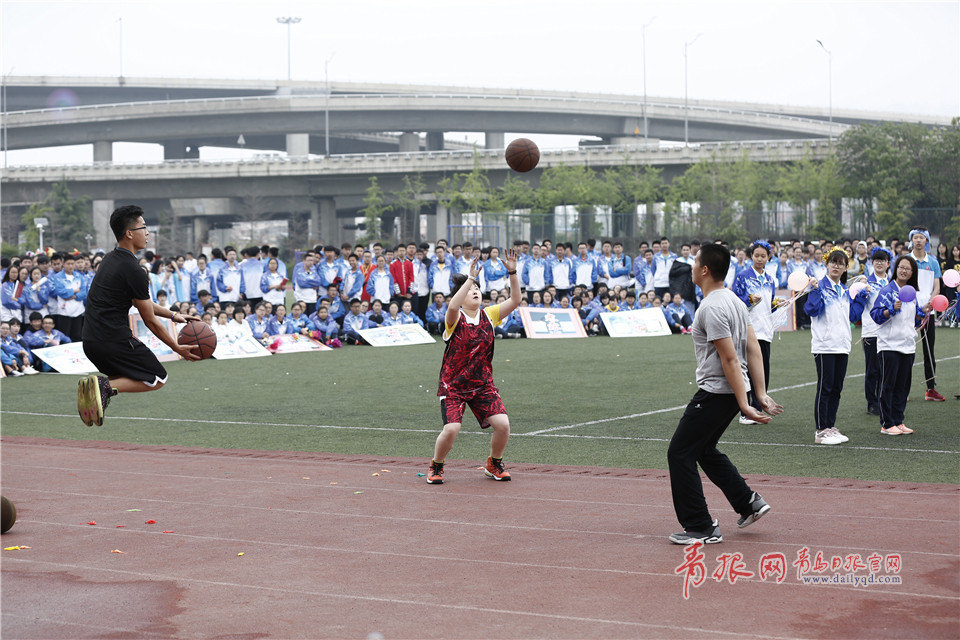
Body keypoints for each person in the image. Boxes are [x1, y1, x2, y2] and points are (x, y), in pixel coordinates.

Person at [666, 243, 783, 545]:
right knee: (704, 450)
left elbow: (730, 358)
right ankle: (748, 502)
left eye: (695, 262)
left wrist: (747, 403)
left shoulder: (712, 307)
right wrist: (759, 393)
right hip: (731, 391)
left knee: (679, 453)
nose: (692, 267)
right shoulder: (733, 300)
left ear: (705, 270)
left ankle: (700, 526)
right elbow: (753, 347)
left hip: (717, 392)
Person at [77, 205, 200, 427]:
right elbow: (149, 319)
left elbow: (141, 302)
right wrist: (176, 347)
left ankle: (99, 390)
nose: (148, 233)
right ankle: (104, 387)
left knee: (127, 378)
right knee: (157, 378)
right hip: (112, 341)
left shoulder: (109, 260)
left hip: (91, 342)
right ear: (129, 233)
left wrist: (173, 315)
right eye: (143, 227)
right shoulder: (134, 270)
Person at [427, 249, 522, 485]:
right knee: (451, 429)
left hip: (482, 385)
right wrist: (470, 278)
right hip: (453, 386)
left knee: (503, 425)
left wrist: (512, 273)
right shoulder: (454, 318)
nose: (475, 291)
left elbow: (515, 300)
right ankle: (436, 466)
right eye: (470, 289)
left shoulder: (489, 315)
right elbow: (452, 307)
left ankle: (494, 463)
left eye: (477, 288)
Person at [803, 248, 870, 445]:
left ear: (845, 268)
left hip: (842, 345)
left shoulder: (844, 290)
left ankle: (830, 426)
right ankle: (820, 430)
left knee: (836, 388)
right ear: (827, 264)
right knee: (825, 387)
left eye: (841, 263)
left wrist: (861, 296)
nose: (836, 266)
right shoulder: (819, 285)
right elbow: (811, 310)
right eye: (833, 262)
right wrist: (815, 290)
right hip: (824, 346)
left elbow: (853, 316)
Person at [869, 255, 931, 436]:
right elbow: (876, 315)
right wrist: (891, 309)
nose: (904, 271)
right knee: (888, 385)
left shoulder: (911, 293)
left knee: (903, 387)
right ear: (895, 269)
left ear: (913, 273)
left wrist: (923, 312)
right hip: (889, 345)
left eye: (908, 269)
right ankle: (887, 424)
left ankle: (898, 420)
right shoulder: (887, 290)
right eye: (901, 267)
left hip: (907, 345)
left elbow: (914, 319)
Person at [731, 241, 776, 425]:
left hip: (765, 331)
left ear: (768, 257)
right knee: (748, 372)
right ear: (751, 256)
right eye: (756, 255)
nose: (759, 259)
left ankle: (758, 408)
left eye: (763, 256)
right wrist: (749, 299)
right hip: (748, 330)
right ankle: (746, 411)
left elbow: (769, 304)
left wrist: (776, 304)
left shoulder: (770, 279)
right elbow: (735, 300)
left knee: (763, 371)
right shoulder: (743, 276)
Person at [907, 228, 945, 401]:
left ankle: (931, 389)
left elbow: (937, 287)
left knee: (929, 350)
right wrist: (916, 307)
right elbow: (903, 284)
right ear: (911, 240)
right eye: (915, 237)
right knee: (906, 350)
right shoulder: (907, 260)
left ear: (927, 241)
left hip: (929, 311)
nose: (918, 240)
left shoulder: (933, 262)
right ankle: (903, 390)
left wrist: (929, 304)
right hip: (910, 312)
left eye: (921, 238)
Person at [860, 248, 891, 415]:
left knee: (886, 369)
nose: (879, 263)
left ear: (888, 263)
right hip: (871, 331)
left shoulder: (892, 283)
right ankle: (872, 403)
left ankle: (883, 400)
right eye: (876, 260)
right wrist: (861, 291)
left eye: (883, 260)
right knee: (872, 369)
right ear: (872, 263)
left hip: (889, 332)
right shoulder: (865, 283)